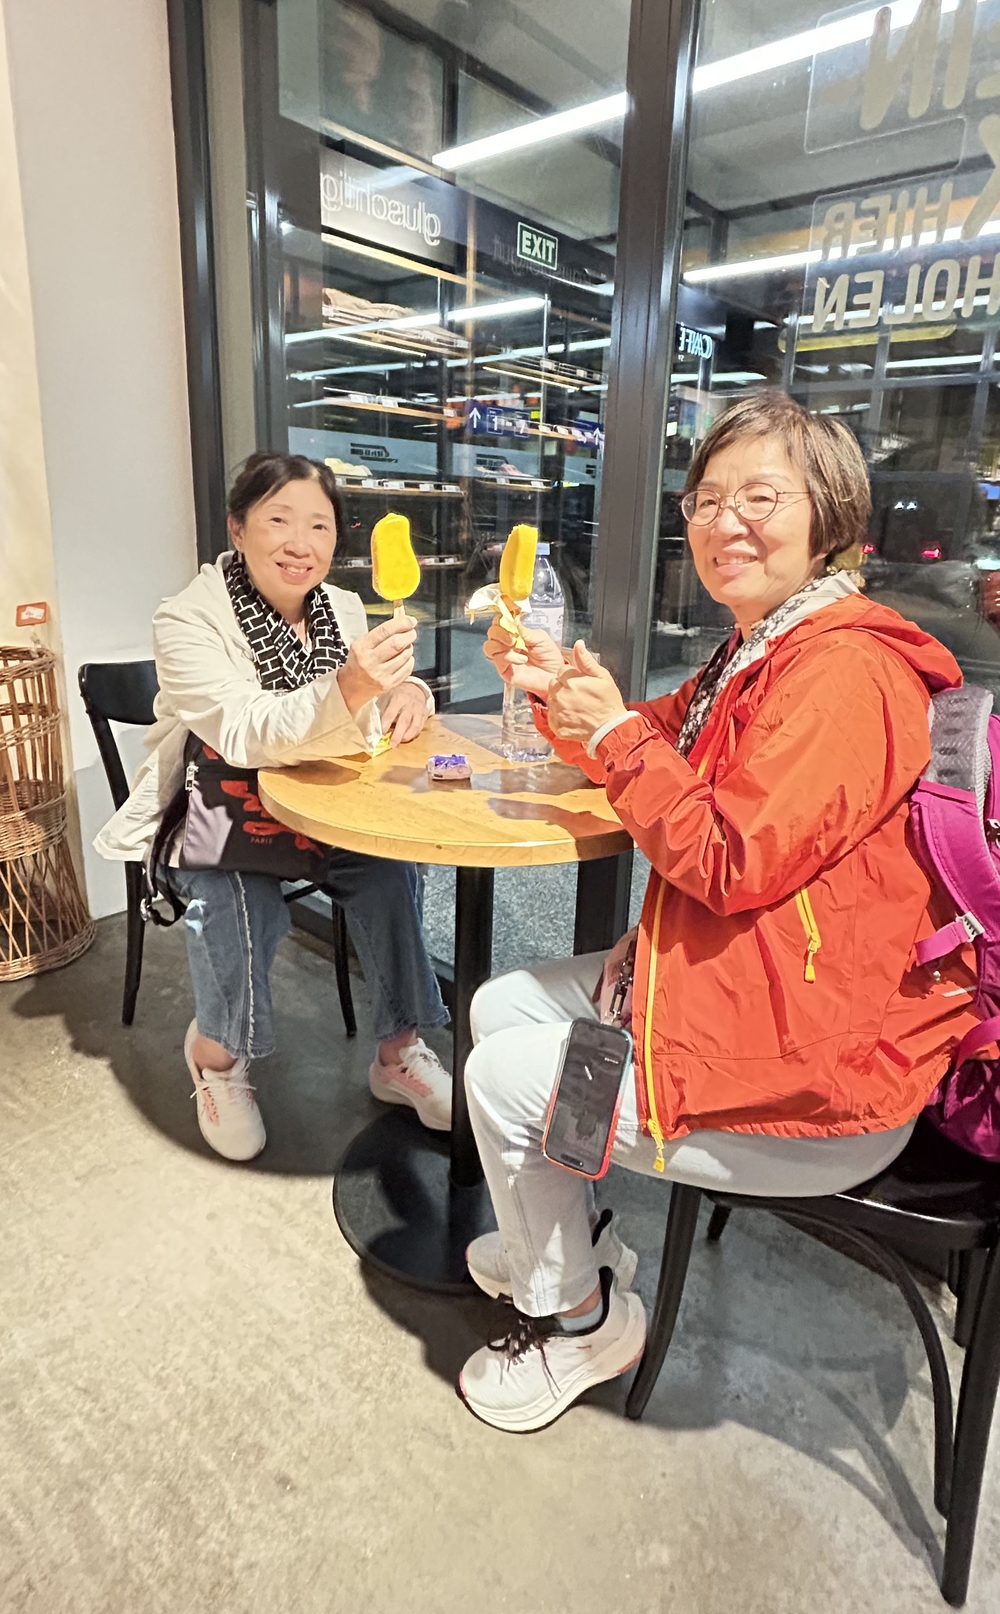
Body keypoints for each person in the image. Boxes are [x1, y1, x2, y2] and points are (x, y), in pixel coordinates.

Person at [457, 390, 977, 1433]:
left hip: (826, 1072)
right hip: (763, 987)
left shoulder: (846, 670)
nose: (723, 521)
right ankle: (572, 1243)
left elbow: (728, 856)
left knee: (501, 1079)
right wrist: (566, 695)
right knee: (498, 1006)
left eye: (760, 497)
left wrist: (614, 735)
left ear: (828, 515)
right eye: (705, 499)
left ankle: (579, 1321)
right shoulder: (764, 648)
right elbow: (650, 740)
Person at [97, 452, 452, 1160]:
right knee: (241, 906)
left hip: (318, 806)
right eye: (278, 520)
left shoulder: (342, 608)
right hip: (219, 813)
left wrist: (410, 692)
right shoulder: (188, 618)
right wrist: (349, 689)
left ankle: (398, 1053)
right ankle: (216, 1057)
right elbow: (243, 730)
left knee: (388, 873)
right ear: (237, 528)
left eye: (319, 525)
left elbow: (374, 702)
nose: (300, 543)